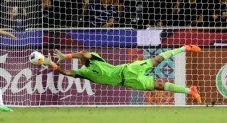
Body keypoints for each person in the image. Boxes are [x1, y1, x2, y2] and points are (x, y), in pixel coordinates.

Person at [43, 45, 202, 104]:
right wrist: (52, 64)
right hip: (128, 83)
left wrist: (67, 56)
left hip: (128, 70)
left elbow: (84, 54)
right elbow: (66, 72)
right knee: (159, 86)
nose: (83, 56)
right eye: (81, 57)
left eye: (83, 55)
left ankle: (185, 48)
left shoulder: (95, 58)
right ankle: (191, 91)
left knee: (156, 60)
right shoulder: (84, 73)